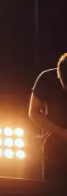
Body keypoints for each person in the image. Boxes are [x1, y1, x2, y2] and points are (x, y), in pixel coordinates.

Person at [29, 53, 67, 183]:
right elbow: (33, 112)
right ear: (58, 74)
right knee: (53, 194)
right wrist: (62, 133)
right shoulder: (46, 78)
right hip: (55, 149)